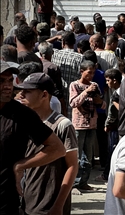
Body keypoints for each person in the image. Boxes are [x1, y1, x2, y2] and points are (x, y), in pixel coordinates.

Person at [0, 61, 66, 215]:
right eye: (1, 81)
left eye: (10, 80)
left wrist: (21, 165)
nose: (8, 86)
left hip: (6, 201)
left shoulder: (22, 114)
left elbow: (57, 149)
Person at [15, 73, 78, 215]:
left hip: (50, 203)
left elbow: (72, 166)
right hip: (29, 200)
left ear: (44, 95)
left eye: (28, 91)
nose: (21, 95)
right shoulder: (25, 123)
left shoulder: (62, 125)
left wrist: (59, 205)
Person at [69, 60, 106, 192]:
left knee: (88, 157)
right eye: (89, 73)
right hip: (79, 125)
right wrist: (86, 92)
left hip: (92, 125)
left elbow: (102, 103)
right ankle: (74, 184)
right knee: (76, 156)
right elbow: (73, 103)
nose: (91, 76)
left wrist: (98, 100)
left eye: (93, 73)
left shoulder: (94, 85)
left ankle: (83, 182)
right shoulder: (75, 85)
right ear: (81, 71)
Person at [52, 31, 83, 119]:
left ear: (63, 42)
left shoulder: (55, 54)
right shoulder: (80, 57)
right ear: (74, 43)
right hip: (73, 96)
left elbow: (41, 45)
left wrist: (55, 38)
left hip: (58, 96)